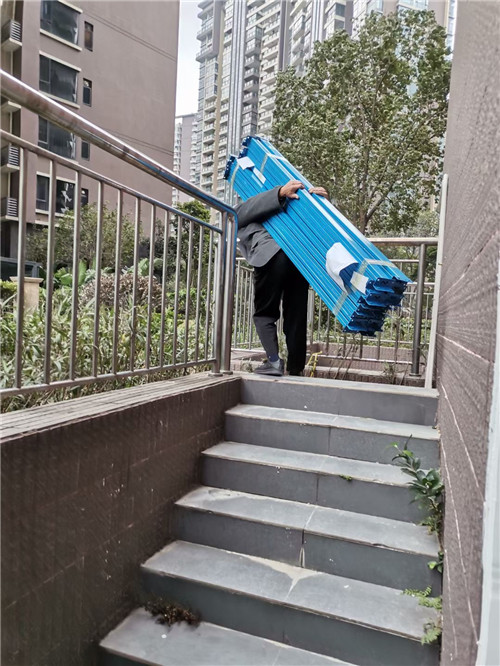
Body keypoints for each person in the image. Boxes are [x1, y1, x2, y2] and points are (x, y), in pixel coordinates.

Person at [235, 179, 328, 377]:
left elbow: (235, 215)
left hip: (275, 255)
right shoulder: (270, 199)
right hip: (297, 257)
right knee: (296, 315)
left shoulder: (275, 198)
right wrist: (279, 193)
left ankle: (274, 362)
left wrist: (322, 204)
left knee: (265, 312)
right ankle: (296, 369)